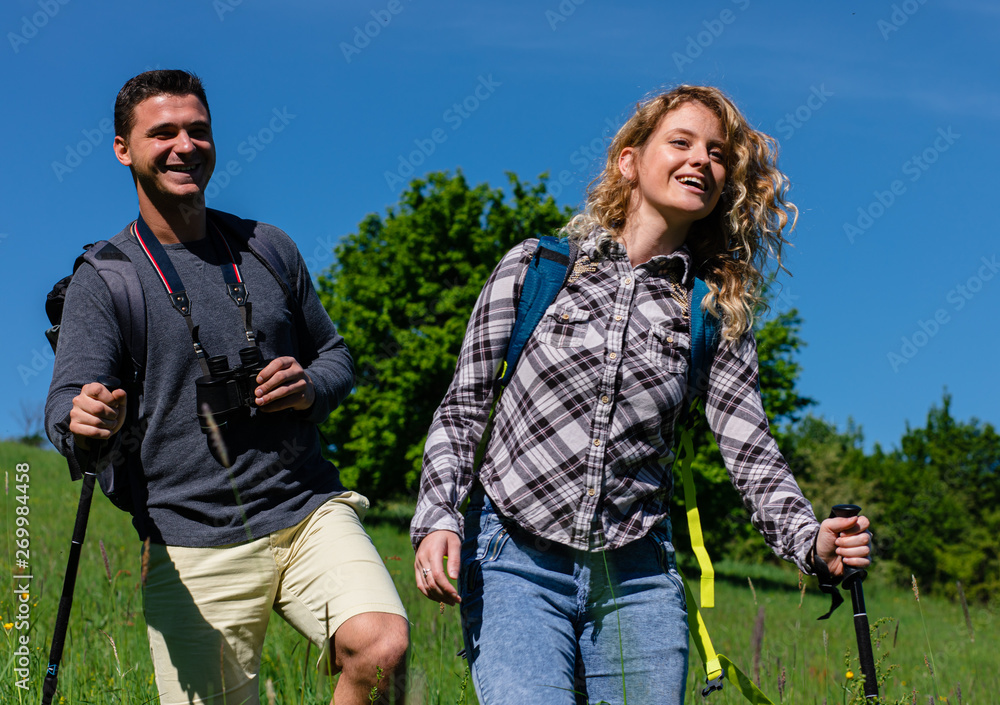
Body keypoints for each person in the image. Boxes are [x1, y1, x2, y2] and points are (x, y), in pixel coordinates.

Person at [410, 85, 872, 704]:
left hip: (637, 578)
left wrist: (810, 541)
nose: (700, 160)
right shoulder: (538, 269)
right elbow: (464, 406)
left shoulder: (711, 312)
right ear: (629, 160)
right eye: (680, 142)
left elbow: (750, 450)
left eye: (716, 154)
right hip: (513, 558)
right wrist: (438, 515)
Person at [45, 70, 408, 705]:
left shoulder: (267, 248)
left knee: (382, 648)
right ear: (123, 149)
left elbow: (336, 355)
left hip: (306, 509)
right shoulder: (106, 279)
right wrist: (82, 420)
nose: (185, 145)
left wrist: (309, 386)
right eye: (162, 133)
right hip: (190, 538)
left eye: (198, 130)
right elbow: (65, 404)